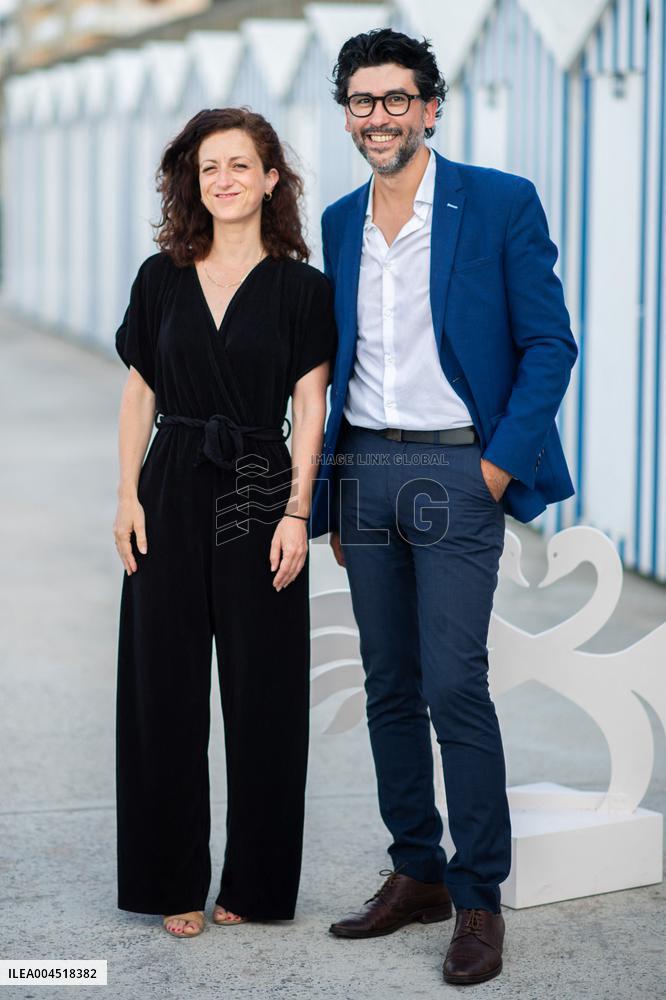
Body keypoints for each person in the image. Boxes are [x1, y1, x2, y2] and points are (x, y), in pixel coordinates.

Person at [309, 29, 578, 986]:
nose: (377, 117)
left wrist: (499, 470)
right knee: (387, 684)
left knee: (454, 684)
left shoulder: (499, 202)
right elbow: (332, 363)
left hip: (461, 473)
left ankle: (478, 896)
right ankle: (415, 868)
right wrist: (333, 489)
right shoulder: (340, 221)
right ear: (347, 112)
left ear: (430, 106)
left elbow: (549, 344)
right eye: (361, 101)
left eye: (395, 99)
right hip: (368, 471)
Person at [113, 107, 337, 938]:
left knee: (265, 693)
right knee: (160, 690)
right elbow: (140, 391)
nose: (225, 180)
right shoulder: (159, 277)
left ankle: (257, 881)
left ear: (272, 178)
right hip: (168, 483)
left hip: (258, 484)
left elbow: (310, 408)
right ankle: (171, 877)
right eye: (210, 167)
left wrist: (296, 511)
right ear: (192, 182)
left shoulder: (302, 288)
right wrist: (127, 495)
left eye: (241, 165)